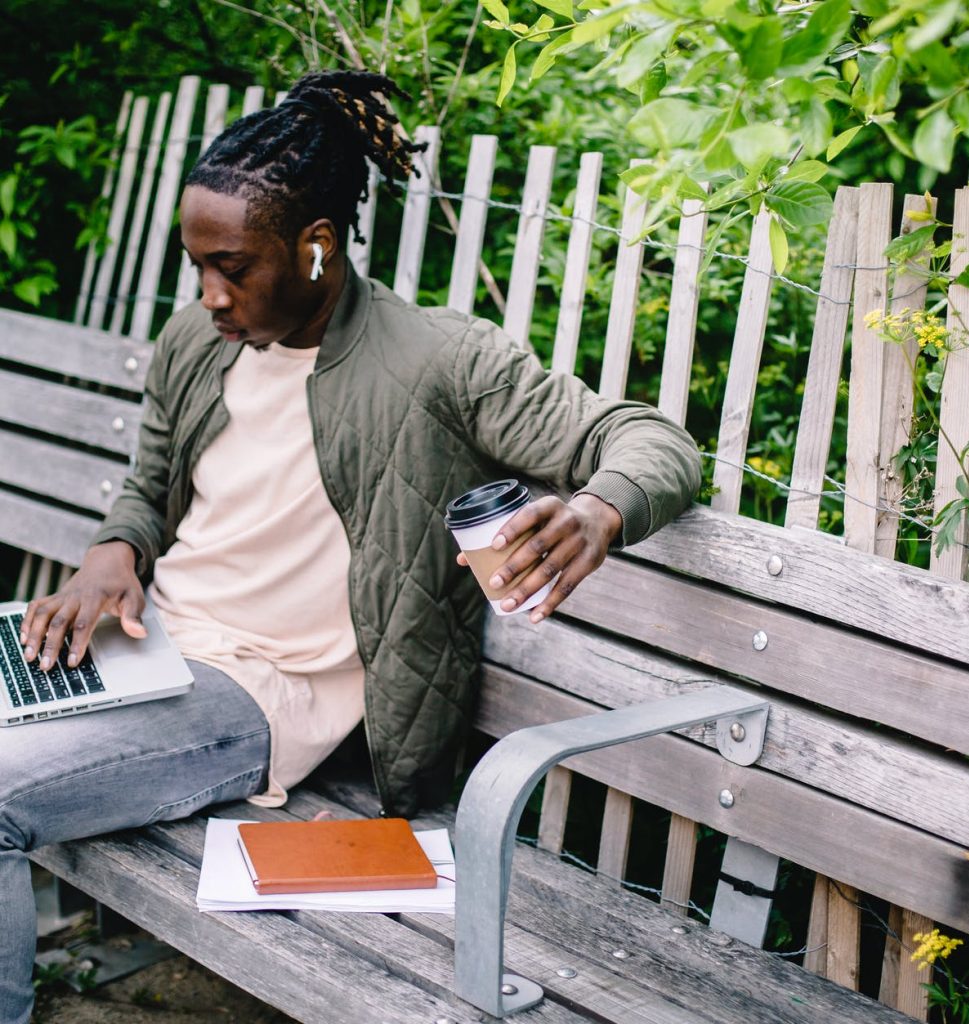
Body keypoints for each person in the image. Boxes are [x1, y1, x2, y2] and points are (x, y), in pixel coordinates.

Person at [0, 69, 701, 1023]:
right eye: (196, 264)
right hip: (143, 648)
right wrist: (113, 552)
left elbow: (652, 441)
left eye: (233, 267)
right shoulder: (195, 342)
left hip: (259, 694)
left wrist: (598, 511)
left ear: (317, 247)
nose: (208, 293)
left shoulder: (441, 361)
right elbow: (147, 489)